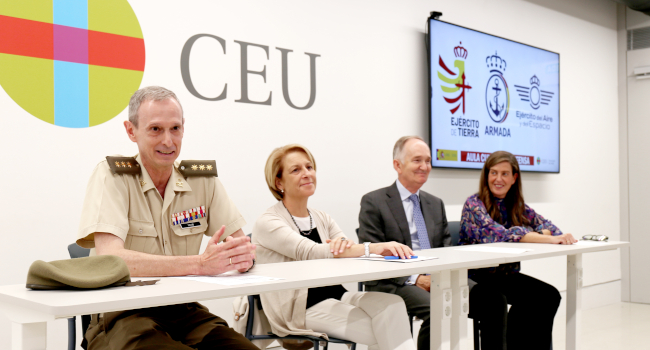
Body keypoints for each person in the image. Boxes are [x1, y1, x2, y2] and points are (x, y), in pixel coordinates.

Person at [76, 86, 259, 350]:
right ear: (131, 131)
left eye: (175, 128)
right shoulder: (112, 176)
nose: (168, 141)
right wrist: (200, 263)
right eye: (155, 129)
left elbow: (242, 247)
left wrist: (241, 257)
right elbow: (112, 259)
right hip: (123, 315)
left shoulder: (202, 179)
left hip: (184, 311)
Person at [252, 144, 417, 350]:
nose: (307, 174)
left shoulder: (322, 217)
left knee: (393, 305)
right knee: (384, 328)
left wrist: (344, 249)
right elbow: (311, 252)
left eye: (309, 167)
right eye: (296, 170)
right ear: (278, 182)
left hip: (337, 294)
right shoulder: (268, 221)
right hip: (299, 308)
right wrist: (374, 248)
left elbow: (347, 251)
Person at [459, 150, 577, 350]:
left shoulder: (516, 205)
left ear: (514, 178)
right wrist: (533, 233)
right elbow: (501, 234)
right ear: (486, 175)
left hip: (505, 275)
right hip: (477, 276)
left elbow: (550, 228)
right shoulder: (474, 204)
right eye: (493, 172)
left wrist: (535, 233)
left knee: (548, 296)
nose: (498, 179)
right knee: (498, 302)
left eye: (505, 174)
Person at [357, 135, 452, 350]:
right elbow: (373, 253)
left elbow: (446, 248)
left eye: (428, 161)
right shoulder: (374, 201)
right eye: (417, 160)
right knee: (438, 309)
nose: (425, 166)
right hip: (394, 281)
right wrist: (416, 277)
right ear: (397, 165)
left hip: (435, 276)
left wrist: (437, 275)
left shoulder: (435, 203)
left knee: (490, 299)